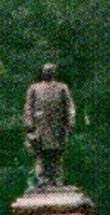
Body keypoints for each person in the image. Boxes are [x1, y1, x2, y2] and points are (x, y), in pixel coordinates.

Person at [24, 63, 76, 191]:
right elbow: (29, 107)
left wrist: (70, 121)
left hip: (57, 125)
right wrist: (29, 125)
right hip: (40, 126)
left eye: (50, 71)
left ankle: (57, 180)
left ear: (54, 73)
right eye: (45, 71)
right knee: (41, 154)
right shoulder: (34, 88)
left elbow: (69, 106)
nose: (47, 73)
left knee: (56, 153)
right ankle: (41, 180)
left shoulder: (62, 87)